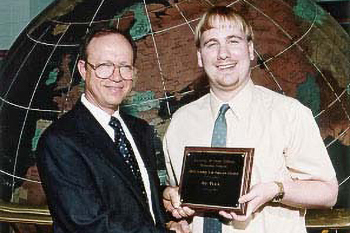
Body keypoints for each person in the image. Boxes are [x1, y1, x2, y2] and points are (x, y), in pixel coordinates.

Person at [162, 6, 338, 233]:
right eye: (211, 44)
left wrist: (275, 190)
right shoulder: (180, 122)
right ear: (199, 56)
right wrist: (174, 204)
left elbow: (328, 192)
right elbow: (177, 191)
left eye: (233, 41)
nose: (223, 53)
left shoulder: (290, 114)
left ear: (251, 49)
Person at [37, 26, 187, 233]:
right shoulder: (60, 141)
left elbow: (131, 195)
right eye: (105, 66)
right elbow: (88, 224)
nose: (116, 77)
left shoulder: (140, 130)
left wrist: (163, 200)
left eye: (125, 66)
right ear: (83, 69)